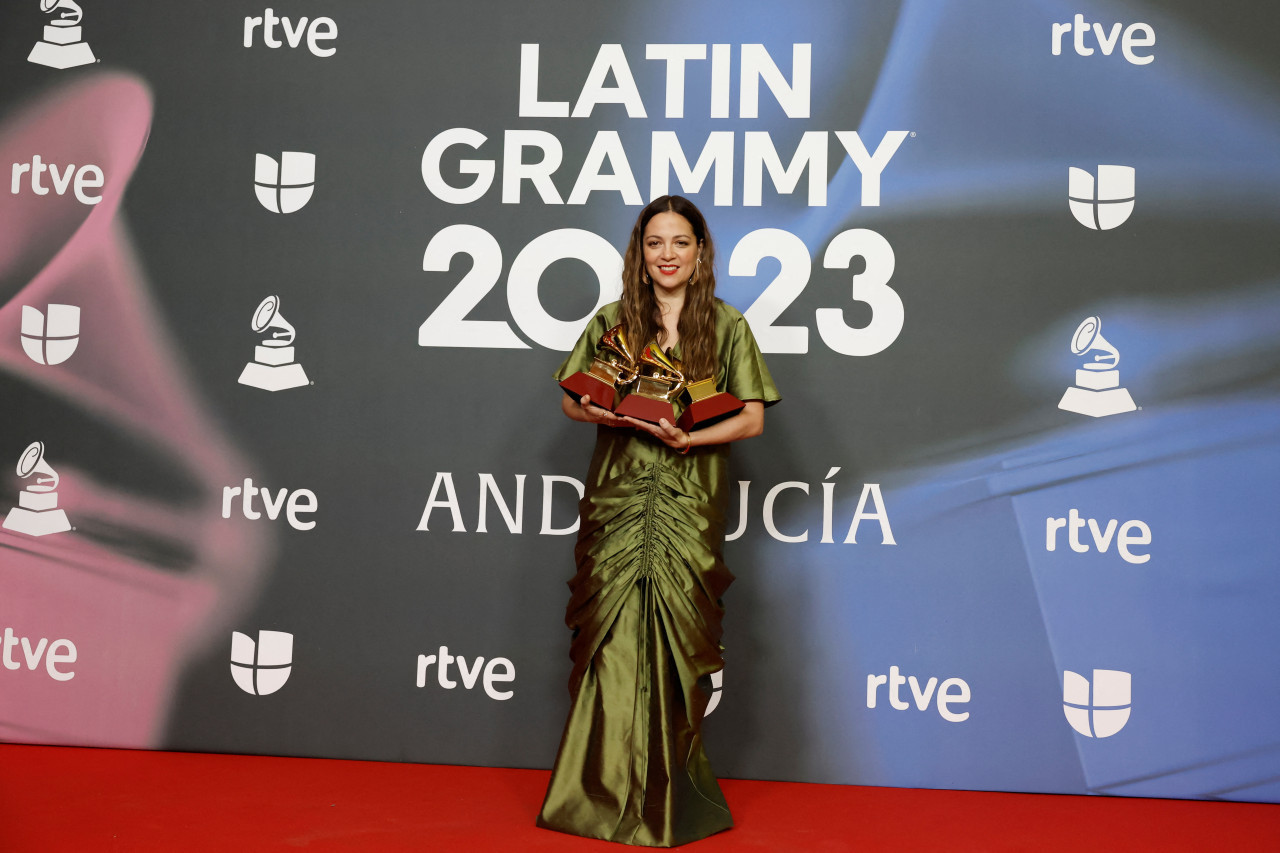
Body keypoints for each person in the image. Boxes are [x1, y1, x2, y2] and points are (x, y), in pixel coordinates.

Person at [537, 195, 780, 847]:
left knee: (677, 646)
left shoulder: (726, 326)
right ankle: (595, 795)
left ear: (700, 252)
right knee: (612, 644)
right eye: (654, 243)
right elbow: (571, 400)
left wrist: (688, 441)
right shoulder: (611, 323)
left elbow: (752, 418)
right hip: (618, 496)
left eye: (679, 242)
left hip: (686, 501)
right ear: (638, 255)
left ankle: (671, 797)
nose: (666, 254)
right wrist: (605, 415)